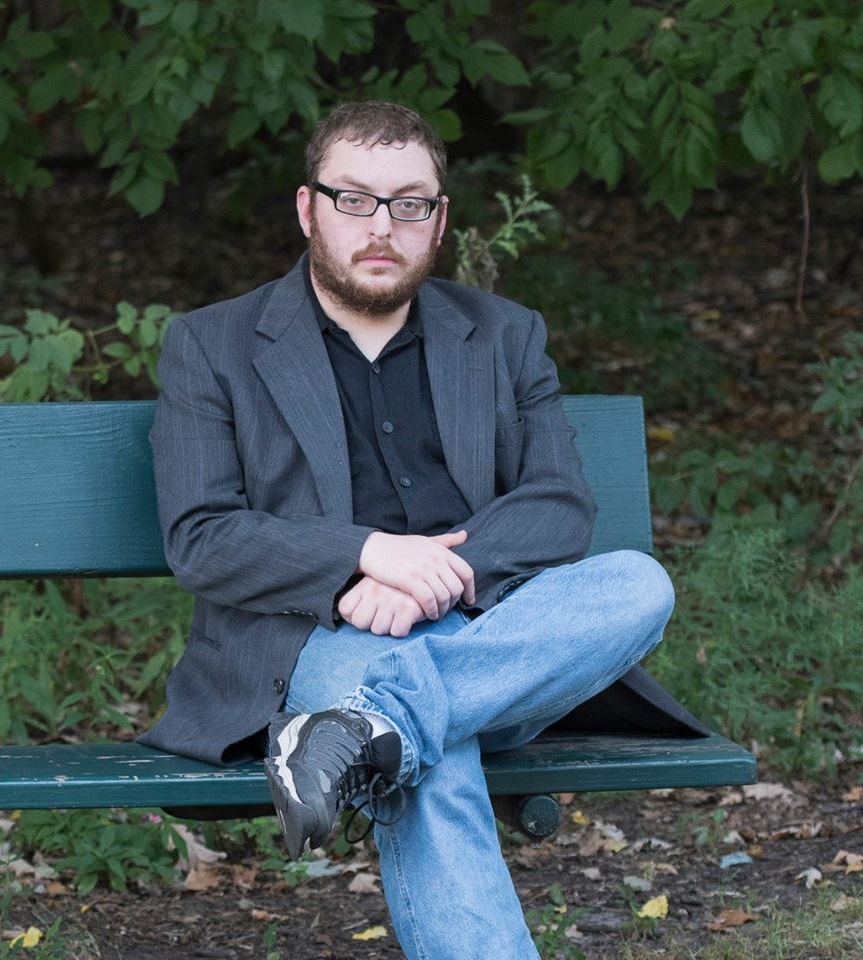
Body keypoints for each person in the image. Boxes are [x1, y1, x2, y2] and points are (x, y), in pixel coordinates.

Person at [140, 100, 706, 960]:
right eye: (354, 199)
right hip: (316, 640)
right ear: (308, 209)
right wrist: (366, 556)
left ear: (439, 220)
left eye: (408, 204)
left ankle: (368, 728)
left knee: (638, 584)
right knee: (435, 752)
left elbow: (558, 502)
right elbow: (202, 535)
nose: (381, 227)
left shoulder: (504, 335)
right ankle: (388, 723)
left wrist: (440, 579)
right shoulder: (213, 345)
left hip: (489, 634)